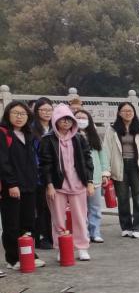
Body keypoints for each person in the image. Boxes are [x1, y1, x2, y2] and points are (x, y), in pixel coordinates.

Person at [39, 104, 94, 261]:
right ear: (55, 120)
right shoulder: (47, 139)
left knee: (80, 217)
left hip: (78, 183)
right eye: (62, 119)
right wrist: (49, 185)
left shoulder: (79, 138)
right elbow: (45, 164)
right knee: (58, 218)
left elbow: (88, 160)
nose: (66, 122)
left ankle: (82, 247)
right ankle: (61, 247)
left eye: (69, 119)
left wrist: (89, 181)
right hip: (57, 186)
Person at [0, 101, 46, 271]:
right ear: (8, 115)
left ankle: (29, 255)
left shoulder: (29, 134)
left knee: (28, 223)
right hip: (11, 187)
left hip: (29, 185)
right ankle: (13, 258)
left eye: (23, 114)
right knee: (12, 224)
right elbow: (3, 162)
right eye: (15, 113)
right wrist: (11, 184)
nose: (19, 117)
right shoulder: (3, 133)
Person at [102, 102, 139, 238]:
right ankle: (126, 226)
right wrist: (106, 170)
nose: (128, 113)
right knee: (122, 199)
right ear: (119, 113)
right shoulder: (112, 130)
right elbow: (106, 150)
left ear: (134, 112)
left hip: (137, 165)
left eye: (130, 111)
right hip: (119, 165)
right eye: (124, 111)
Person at [78, 110, 110, 243]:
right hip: (78, 178)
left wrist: (105, 173)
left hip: (95, 177)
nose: (81, 120)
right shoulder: (70, 136)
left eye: (84, 118)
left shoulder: (94, 137)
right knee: (81, 208)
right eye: (78, 117)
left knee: (95, 207)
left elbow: (103, 156)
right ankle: (83, 233)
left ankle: (95, 232)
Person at [29, 97, 54, 250]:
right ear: (36, 111)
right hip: (38, 175)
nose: (46, 113)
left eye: (49, 110)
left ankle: (51, 236)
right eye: (43, 110)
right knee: (41, 207)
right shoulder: (31, 129)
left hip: (54, 173)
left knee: (53, 207)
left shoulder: (55, 127)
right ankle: (41, 237)